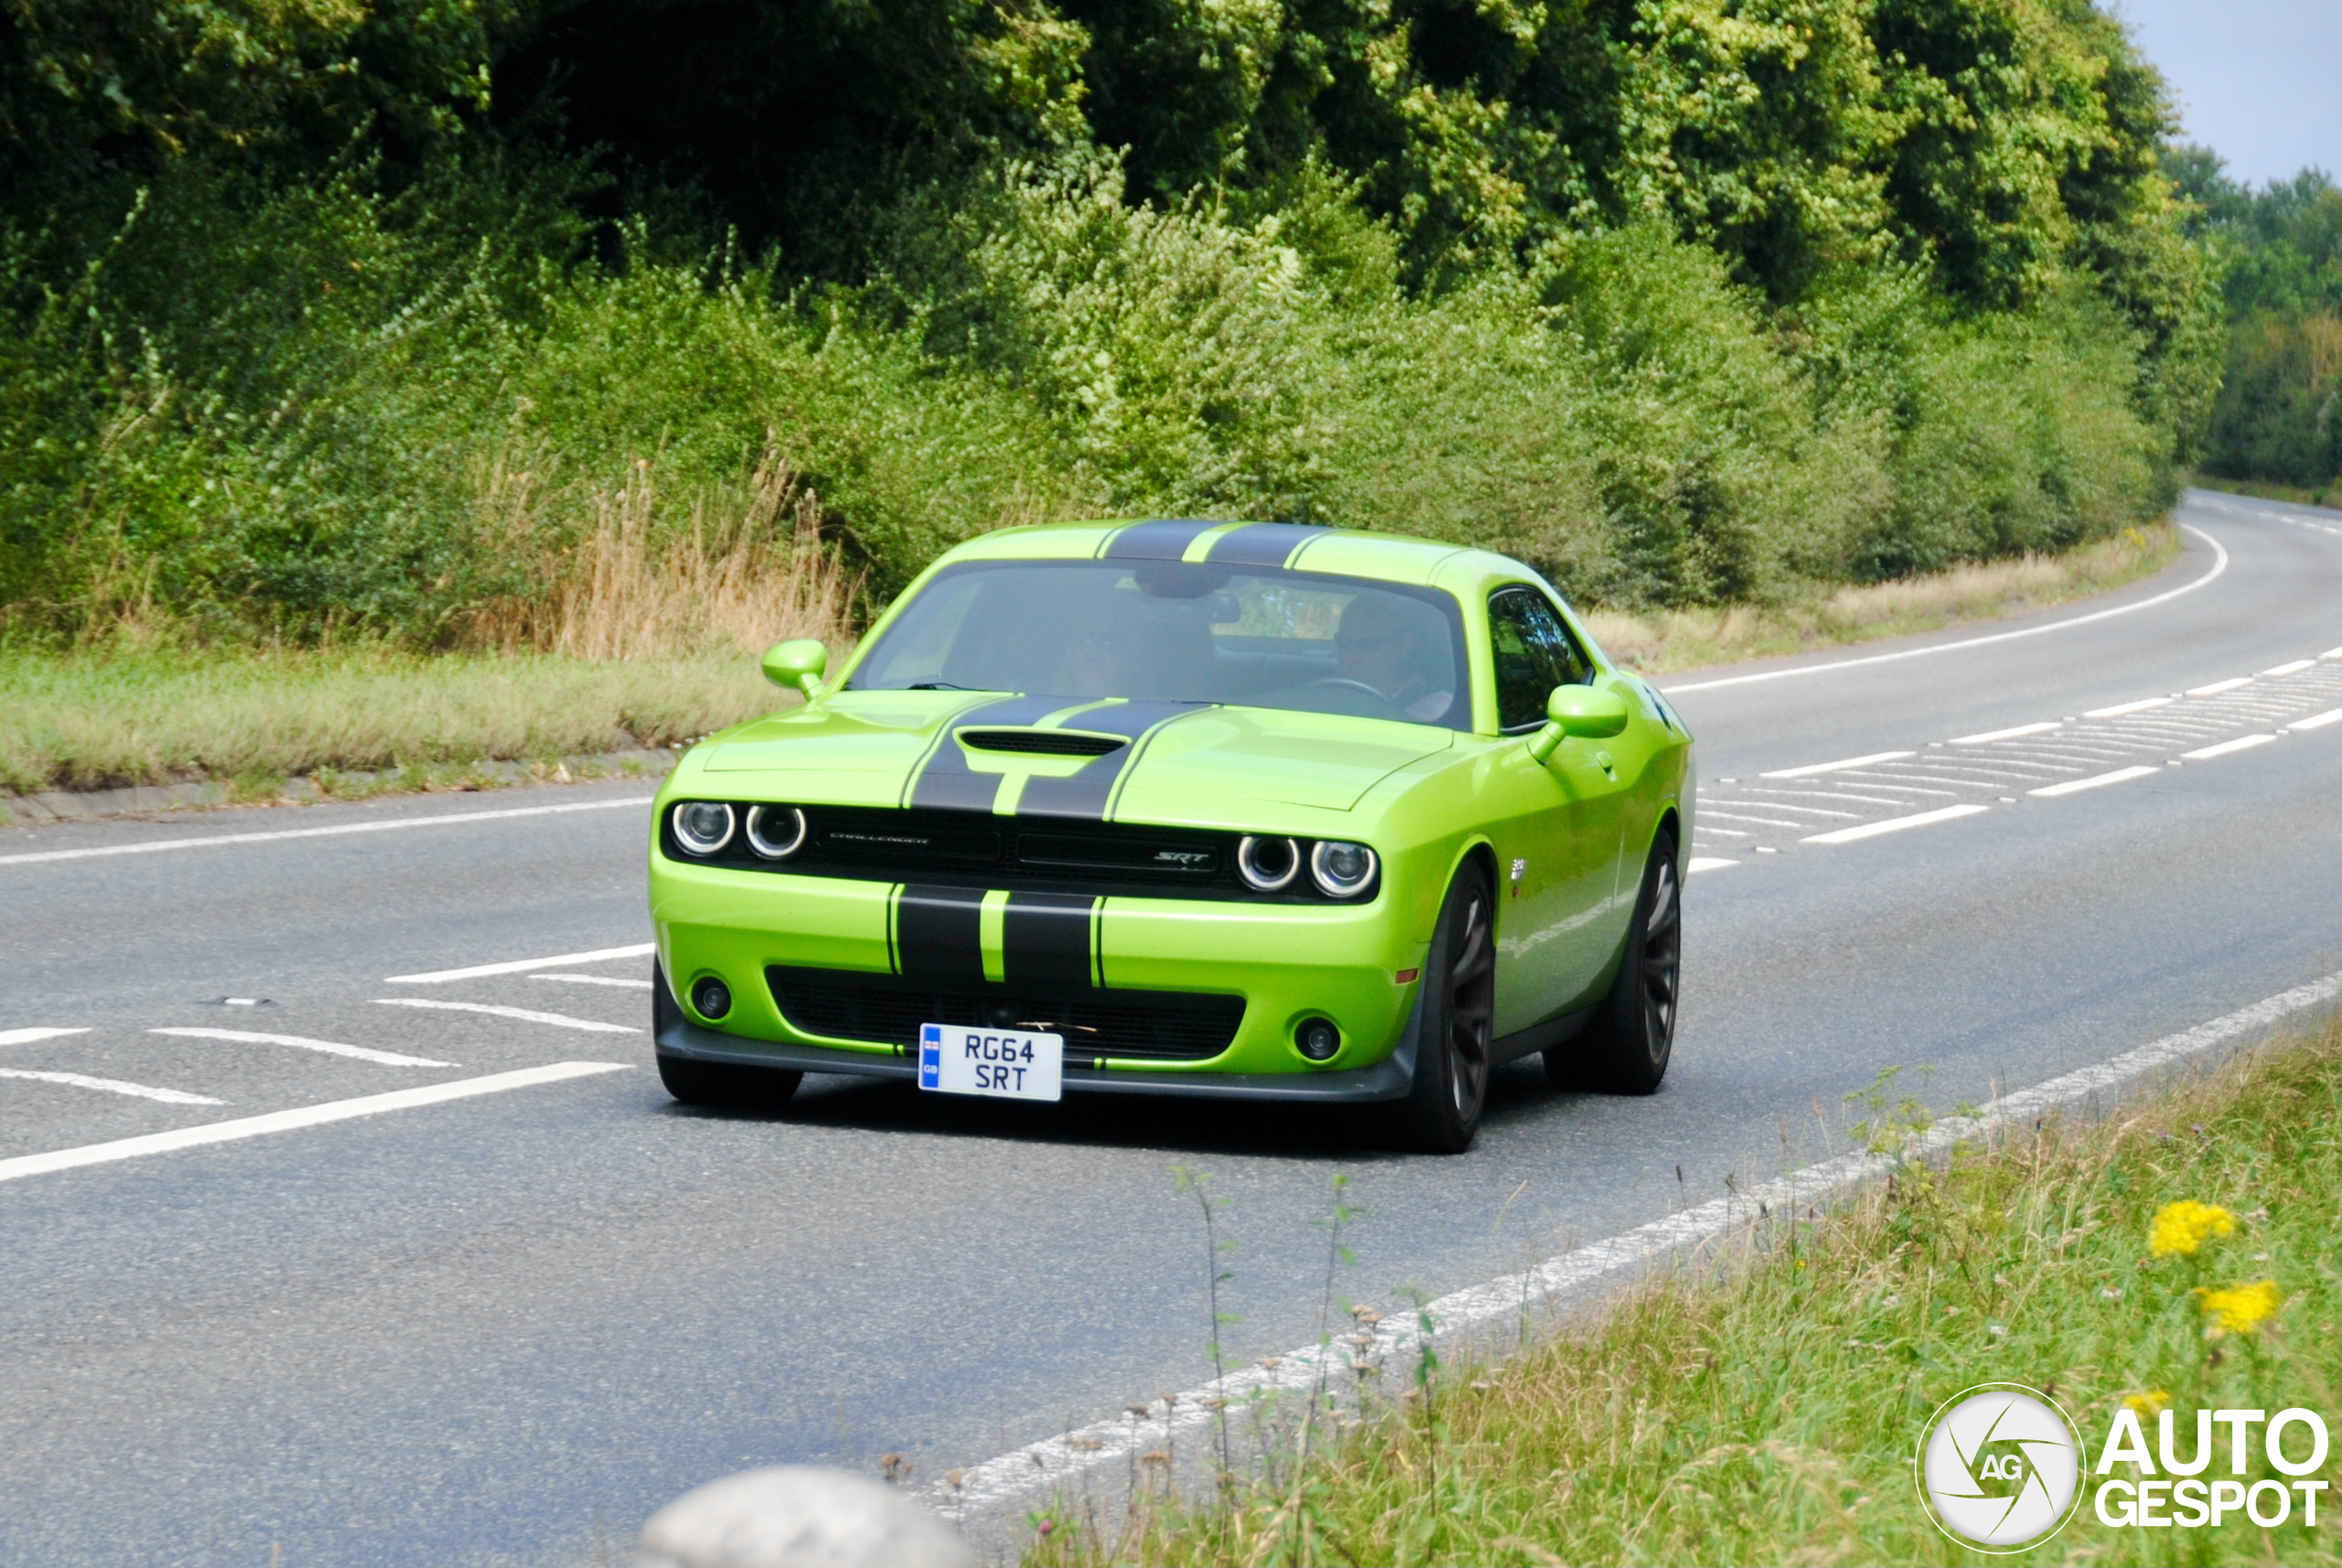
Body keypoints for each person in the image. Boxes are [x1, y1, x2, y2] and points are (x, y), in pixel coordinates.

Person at [1334, 594, 1455, 722]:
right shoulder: (1324, 697)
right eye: (1344, 642)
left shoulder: (1436, 712)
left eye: (1368, 643)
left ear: (1405, 645)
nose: (1350, 657)